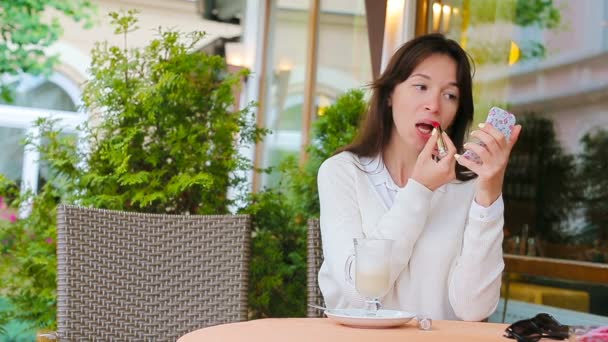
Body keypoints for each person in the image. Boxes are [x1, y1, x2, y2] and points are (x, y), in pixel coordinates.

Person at [316, 33, 522, 321]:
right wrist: (420, 190)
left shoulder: (468, 187)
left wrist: (489, 194)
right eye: (421, 86)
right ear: (390, 94)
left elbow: (474, 310)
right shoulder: (342, 172)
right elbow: (359, 292)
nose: (434, 105)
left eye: (449, 95)